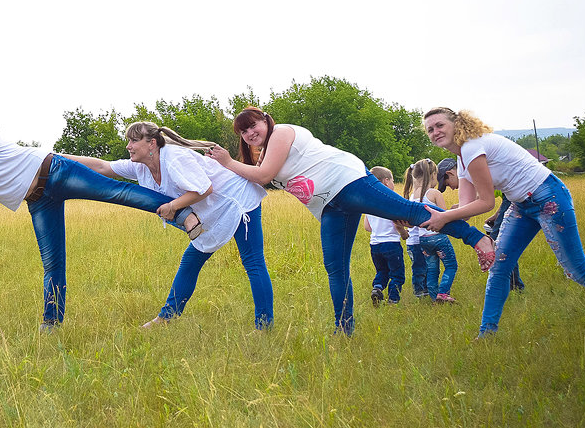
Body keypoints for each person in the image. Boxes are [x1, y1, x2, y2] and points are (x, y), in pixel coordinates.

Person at [0, 101, 204, 330]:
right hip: (38, 198)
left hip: (55, 171)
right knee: (53, 263)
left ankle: (184, 214)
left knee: (117, 193)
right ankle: (51, 323)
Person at [207, 107, 495, 336]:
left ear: (266, 121)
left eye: (252, 125)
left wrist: (227, 161)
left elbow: (264, 176)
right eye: (243, 132)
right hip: (329, 206)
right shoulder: (262, 155)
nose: (249, 133)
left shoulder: (281, 132)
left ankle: (478, 238)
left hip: (348, 181)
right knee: (334, 266)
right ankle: (343, 328)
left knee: (414, 213)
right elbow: (252, 177)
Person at [422, 107, 585, 342]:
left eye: (440, 125)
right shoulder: (462, 158)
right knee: (499, 268)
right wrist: (432, 216)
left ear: (455, 123)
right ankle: (486, 337)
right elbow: (466, 208)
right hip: (522, 204)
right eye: (430, 129)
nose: (435, 132)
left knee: (577, 269)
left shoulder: (472, 147)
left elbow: (487, 203)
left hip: (548, 196)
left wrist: (445, 218)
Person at [66, 121, 274, 330]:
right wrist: (59, 158)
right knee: (191, 260)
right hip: (214, 211)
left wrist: (172, 206)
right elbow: (102, 166)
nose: (128, 146)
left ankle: (264, 327)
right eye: (128, 141)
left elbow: (205, 189)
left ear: (152, 144)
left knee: (253, 262)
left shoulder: (175, 158)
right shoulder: (140, 167)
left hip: (237, 201)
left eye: (133, 141)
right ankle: (166, 318)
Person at [405, 158, 459, 303]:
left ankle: (434, 297)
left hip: (423, 240)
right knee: (451, 265)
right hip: (438, 238)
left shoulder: (412, 196)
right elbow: (444, 216)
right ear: (433, 175)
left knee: (432, 268)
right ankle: (443, 293)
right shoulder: (434, 194)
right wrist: (455, 211)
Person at [363, 166, 407, 307]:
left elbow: (367, 227)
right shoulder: (392, 200)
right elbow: (399, 222)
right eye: (393, 180)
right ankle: (393, 301)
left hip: (375, 245)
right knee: (397, 274)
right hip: (391, 244)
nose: (394, 183)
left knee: (382, 271)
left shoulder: (368, 203)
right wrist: (404, 232)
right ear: (386, 181)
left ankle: (377, 288)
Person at [484, 194, 525, 292]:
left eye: (447, 183)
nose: (451, 188)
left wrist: (460, 207)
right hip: (513, 199)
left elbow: (484, 199)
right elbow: (506, 201)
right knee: (502, 243)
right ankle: (513, 284)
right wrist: (496, 216)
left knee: (497, 241)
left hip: (517, 197)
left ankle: (514, 285)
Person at [402, 166, 430, 299]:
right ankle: (420, 291)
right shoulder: (419, 196)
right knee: (420, 267)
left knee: (422, 266)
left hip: (415, 240)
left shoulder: (412, 196)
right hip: (416, 241)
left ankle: (424, 289)